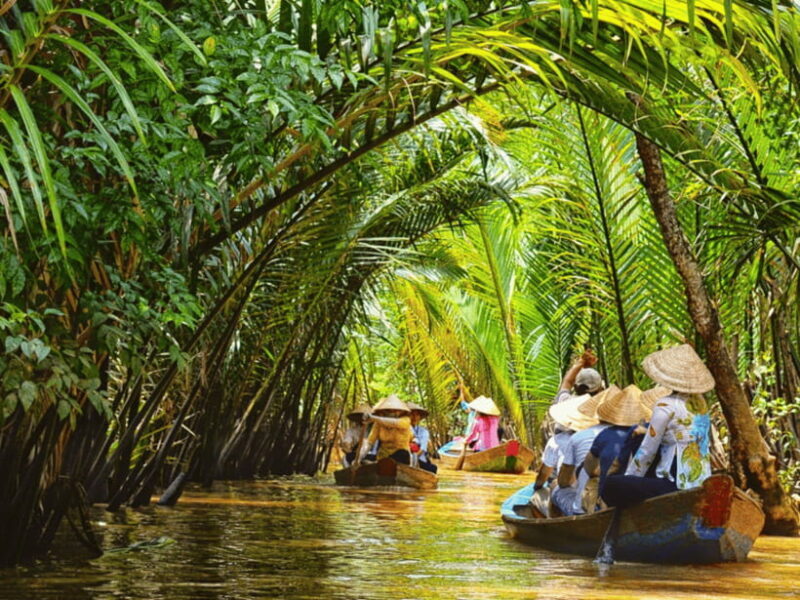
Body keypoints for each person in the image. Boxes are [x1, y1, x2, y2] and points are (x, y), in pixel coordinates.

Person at [602, 344, 715, 509]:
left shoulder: (665, 404)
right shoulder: (701, 405)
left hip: (675, 486)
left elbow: (647, 451)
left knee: (610, 485)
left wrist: (631, 480)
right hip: (701, 482)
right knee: (640, 438)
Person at [550, 387, 617, 516]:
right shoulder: (631, 434)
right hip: (616, 504)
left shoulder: (578, 437)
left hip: (583, 509)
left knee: (556, 487)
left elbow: (563, 481)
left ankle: (552, 522)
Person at [582, 385, 651, 511]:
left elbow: (590, 468)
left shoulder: (604, 435)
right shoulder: (651, 432)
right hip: (643, 495)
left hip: (612, 499)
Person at [530, 393, 599, 517]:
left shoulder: (561, 440)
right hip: (601, 500)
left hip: (581, 505)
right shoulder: (605, 434)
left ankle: (553, 522)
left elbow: (557, 479)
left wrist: (537, 487)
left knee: (555, 486)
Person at [364, 394, 415, 465]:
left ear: (401, 412)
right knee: (355, 457)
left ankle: (381, 463)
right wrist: (359, 457)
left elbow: (394, 423)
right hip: (382, 457)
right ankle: (380, 463)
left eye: (395, 410)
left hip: (401, 458)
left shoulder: (405, 420)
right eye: (389, 410)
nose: (392, 412)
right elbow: (369, 443)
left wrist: (373, 418)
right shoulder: (378, 424)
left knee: (403, 453)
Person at [407, 402, 438, 473]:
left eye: (417, 415)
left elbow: (422, 449)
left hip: (419, 459)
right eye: (412, 414)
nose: (414, 417)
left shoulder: (424, 432)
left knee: (433, 468)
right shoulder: (403, 429)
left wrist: (413, 458)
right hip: (405, 457)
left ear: (420, 417)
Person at [340, 403, 372, 467]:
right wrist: (346, 447)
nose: (364, 418)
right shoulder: (351, 431)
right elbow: (346, 443)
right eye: (362, 416)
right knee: (344, 459)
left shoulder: (374, 429)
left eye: (366, 416)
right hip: (356, 455)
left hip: (371, 455)